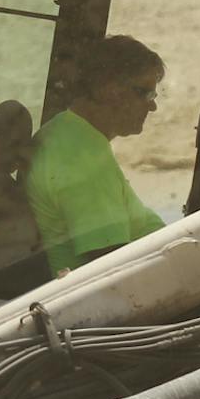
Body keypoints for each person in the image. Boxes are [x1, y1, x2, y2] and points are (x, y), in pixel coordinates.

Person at [25, 35, 169, 275]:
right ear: (109, 90)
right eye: (146, 94)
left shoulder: (67, 133)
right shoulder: (80, 159)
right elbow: (112, 270)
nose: (152, 106)